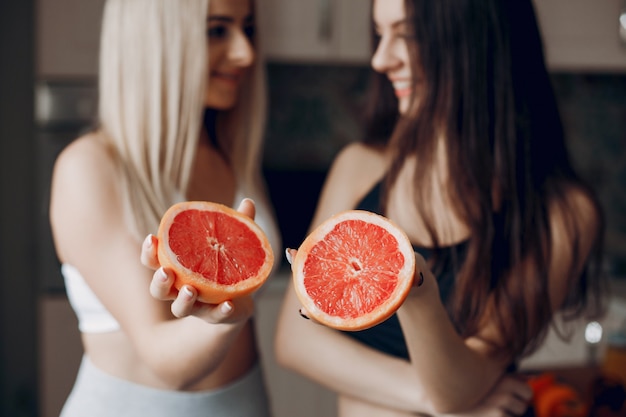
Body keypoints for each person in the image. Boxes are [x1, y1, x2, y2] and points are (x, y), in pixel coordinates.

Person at [274, 0, 606, 416]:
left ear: (479, 40)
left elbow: (461, 384)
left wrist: (417, 291)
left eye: (406, 34)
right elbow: (295, 340)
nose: (380, 59)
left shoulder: (562, 215)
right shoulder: (359, 168)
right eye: (380, 34)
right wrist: (429, 398)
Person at [49, 0, 281, 416]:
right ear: (154, 43)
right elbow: (168, 363)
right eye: (217, 30)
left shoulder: (226, 148)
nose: (246, 52)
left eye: (248, 28)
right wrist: (232, 312)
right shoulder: (87, 167)